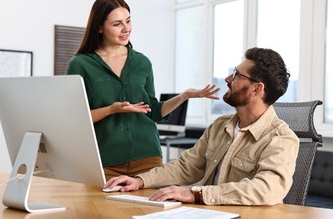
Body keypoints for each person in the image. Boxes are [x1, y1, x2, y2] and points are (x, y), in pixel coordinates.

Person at [104, 47, 300, 206]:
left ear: (257, 89)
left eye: (237, 74)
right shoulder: (220, 126)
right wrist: (140, 180)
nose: (227, 79)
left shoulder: (281, 138)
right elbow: (186, 166)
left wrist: (196, 194)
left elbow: (266, 189)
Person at [65, 0, 220, 180]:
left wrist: (184, 96)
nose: (126, 29)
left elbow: (153, 111)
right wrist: (111, 110)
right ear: (99, 27)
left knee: (150, 209)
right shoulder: (80, 64)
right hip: (105, 161)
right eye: (117, 24)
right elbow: (76, 119)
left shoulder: (142, 62)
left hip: (148, 158)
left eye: (128, 21)